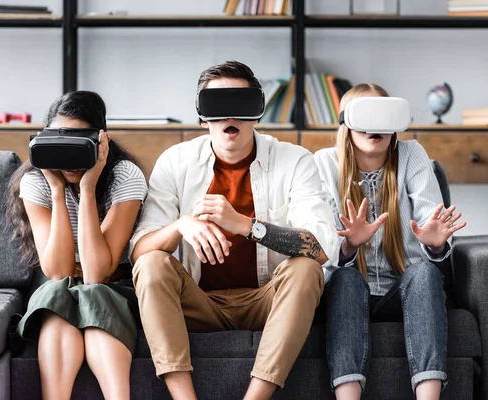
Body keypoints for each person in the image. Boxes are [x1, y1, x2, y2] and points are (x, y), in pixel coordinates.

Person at [129, 60, 339, 400]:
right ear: (202, 116)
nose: (231, 117)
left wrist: (246, 226)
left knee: (306, 270)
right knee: (151, 263)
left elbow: (323, 247)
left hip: (267, 299)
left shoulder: (296, 160)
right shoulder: (175, 162)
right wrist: (181, 226)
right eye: (217, 106)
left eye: (241, 105)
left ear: (257, 112)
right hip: (198, 302)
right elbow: (138, 250)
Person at [314, 83, 467, 400]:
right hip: (348, 292)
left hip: (403, 290)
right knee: (345, 278)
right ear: (347, 122)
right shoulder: (324, 164)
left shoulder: (412, 154)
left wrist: (435, 243)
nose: (377, 126)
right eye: (367, 115)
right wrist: (348, 246)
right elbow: (320, 248)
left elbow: (429, 217)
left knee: (424, 272)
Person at [4, 90, 148, 400]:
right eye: (59, 138)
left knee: (95, 296)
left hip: (114, 286)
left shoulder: (124, 176)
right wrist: (57, 191)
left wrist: (89, 187)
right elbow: (57, 272)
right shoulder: (36, 181)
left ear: (100, 140)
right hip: (62, 288)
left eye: (78, 140)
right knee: (59, 295)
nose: (68, 152)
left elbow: (97, 274)